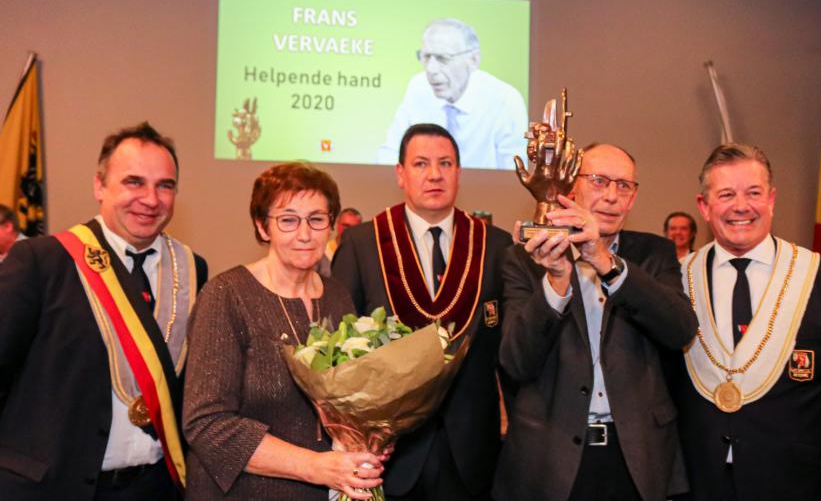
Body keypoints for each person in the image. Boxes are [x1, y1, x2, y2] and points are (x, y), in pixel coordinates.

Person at [0, 122, 208, 500]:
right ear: (99, 185)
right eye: (134, 182)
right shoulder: (44, 261)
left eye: (165, 185)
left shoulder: (193, 270)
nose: (151, 199)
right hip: (50, 488)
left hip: (154, 489)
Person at [493, 143, 697, 501]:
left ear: (634, 198)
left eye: (624, 186)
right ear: (573, 190)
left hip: (637, 456)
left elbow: (680, 328)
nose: (612, 196)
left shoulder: (654, 254)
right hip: (549, 459)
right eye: (600, 181)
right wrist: (555, 281)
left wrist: (607, 262)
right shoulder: (527, 258)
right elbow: (516, 361)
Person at [676, 143, 821, 501]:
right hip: (697, 483)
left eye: (754, 193)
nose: (741, 206)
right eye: (726, 194)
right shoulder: (673, 280)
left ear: (772, 199)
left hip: (797, 486)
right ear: (704, 206)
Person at [183, 163, 386, 501]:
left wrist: (368, 441)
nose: (304, 234)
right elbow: (207, 424)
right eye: (288, 220)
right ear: (263, 227)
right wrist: (317, 467)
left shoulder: (338, 297)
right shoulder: (226, 296)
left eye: (317, 219)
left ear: (332, 226)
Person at [333, 123, 513, 500]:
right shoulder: (363, 243)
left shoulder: (494, 246)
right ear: (400, 173)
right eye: (421, 164)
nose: (435, 174)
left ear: (459, 173)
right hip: (387, 453)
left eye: (446, 163)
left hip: (471, 453)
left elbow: (510, 353)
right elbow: (340, 353)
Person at [376, 18, 528, 170]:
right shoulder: (418, 87)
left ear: (474, 60)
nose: (431, 69)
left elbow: (515, 172)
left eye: (443, 58)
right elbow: (391, 150)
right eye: (426, 57)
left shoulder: (505, 100)